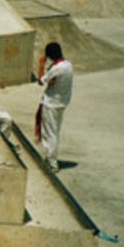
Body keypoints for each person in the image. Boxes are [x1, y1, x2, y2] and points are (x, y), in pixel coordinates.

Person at [35, 42, 74, 173]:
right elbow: (52, 79)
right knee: (55, 132)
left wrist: (41, 64)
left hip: (51, 104)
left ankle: (52, 163)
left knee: (49, 134)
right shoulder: (68, 65)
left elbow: (41, 81)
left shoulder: (56, 68)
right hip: (62, 103)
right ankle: (51, 159)